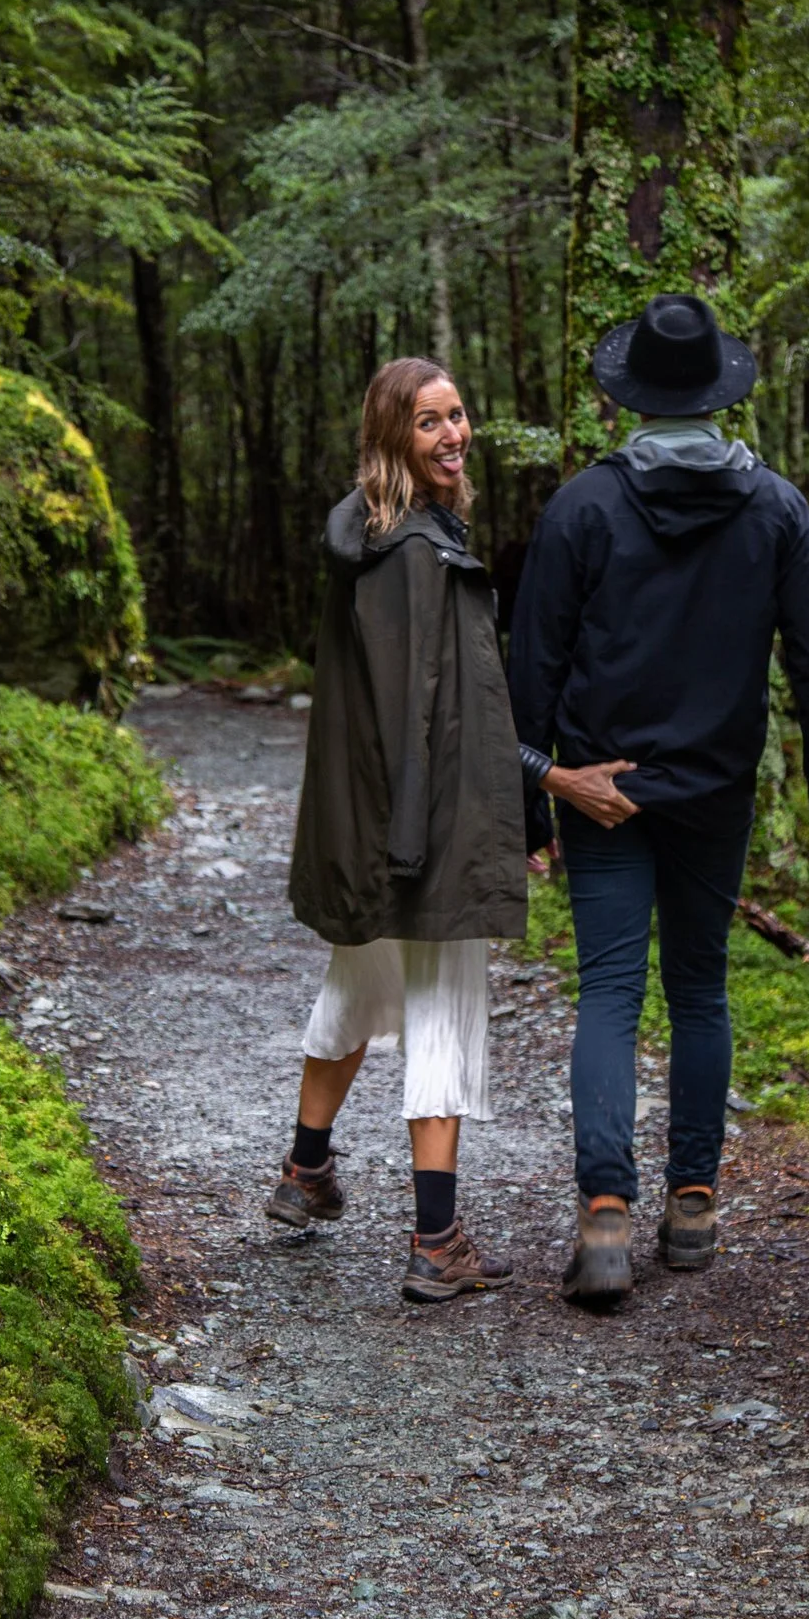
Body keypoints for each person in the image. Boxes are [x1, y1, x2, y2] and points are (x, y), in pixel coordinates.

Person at [510, 293, 809, 1308]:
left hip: (600, 790)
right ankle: (696, 1201)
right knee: (700, 989)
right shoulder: (774, 507)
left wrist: (534, 803)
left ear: (630, 398)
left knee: (612, 992)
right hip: (714, 790)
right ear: (717, 394)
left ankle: (606, 1213)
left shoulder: (582, 505)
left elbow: (529, 663)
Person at [274, 357, 530, 1304]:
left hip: (374, 824)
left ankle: (305, 1173)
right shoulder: (420, 554)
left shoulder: (372, 540)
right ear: (393, 440)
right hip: (424, 828)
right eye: (428, 423)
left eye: (459, 415)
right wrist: (425, 843)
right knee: (444, 1014)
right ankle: (437, 1240)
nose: (454, 435)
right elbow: (426, 707)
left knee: (358, 979)